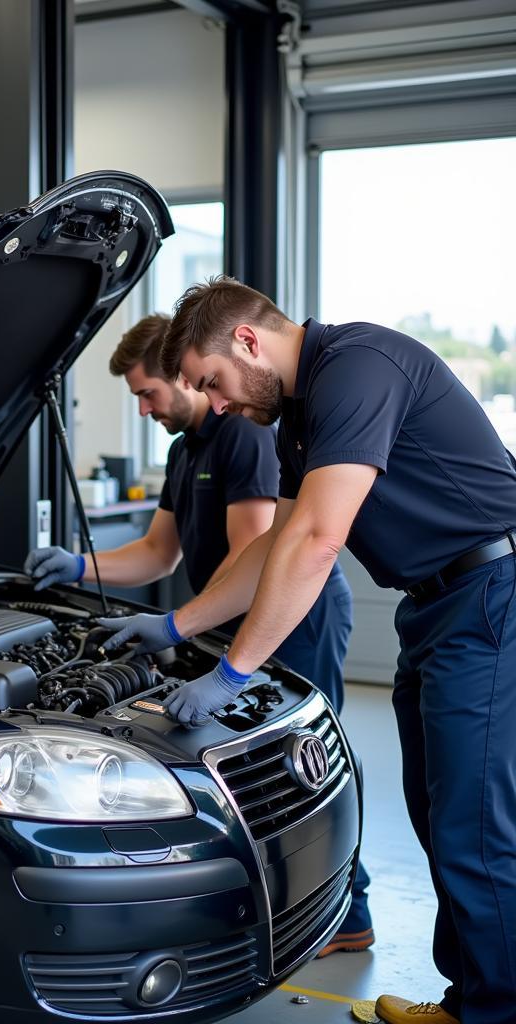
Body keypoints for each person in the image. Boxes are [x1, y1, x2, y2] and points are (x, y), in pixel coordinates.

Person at [102, 276, 516, 1024]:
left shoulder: (359, 368)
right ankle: (476, 1000)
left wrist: (235, 670)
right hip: (437, 608)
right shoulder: (298, 417)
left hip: (491, 595)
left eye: (213, 382)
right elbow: (274, 545)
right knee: (435, 809)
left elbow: (321, 540)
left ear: (249, 341)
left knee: (474, 823)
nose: (217, 404)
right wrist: (177, 625)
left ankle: (496, 1012)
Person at [24, 313, 372, 955]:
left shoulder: (241, 437)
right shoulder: (186, 450)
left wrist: (188, 635)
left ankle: (344, 910)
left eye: (149, 392)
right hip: (231, 622)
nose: (145, 408)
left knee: (300, 765)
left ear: (182, 377)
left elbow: (257, 555)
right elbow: (160, 553)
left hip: (293, 616)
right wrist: (81, 565)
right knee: (262, 769)